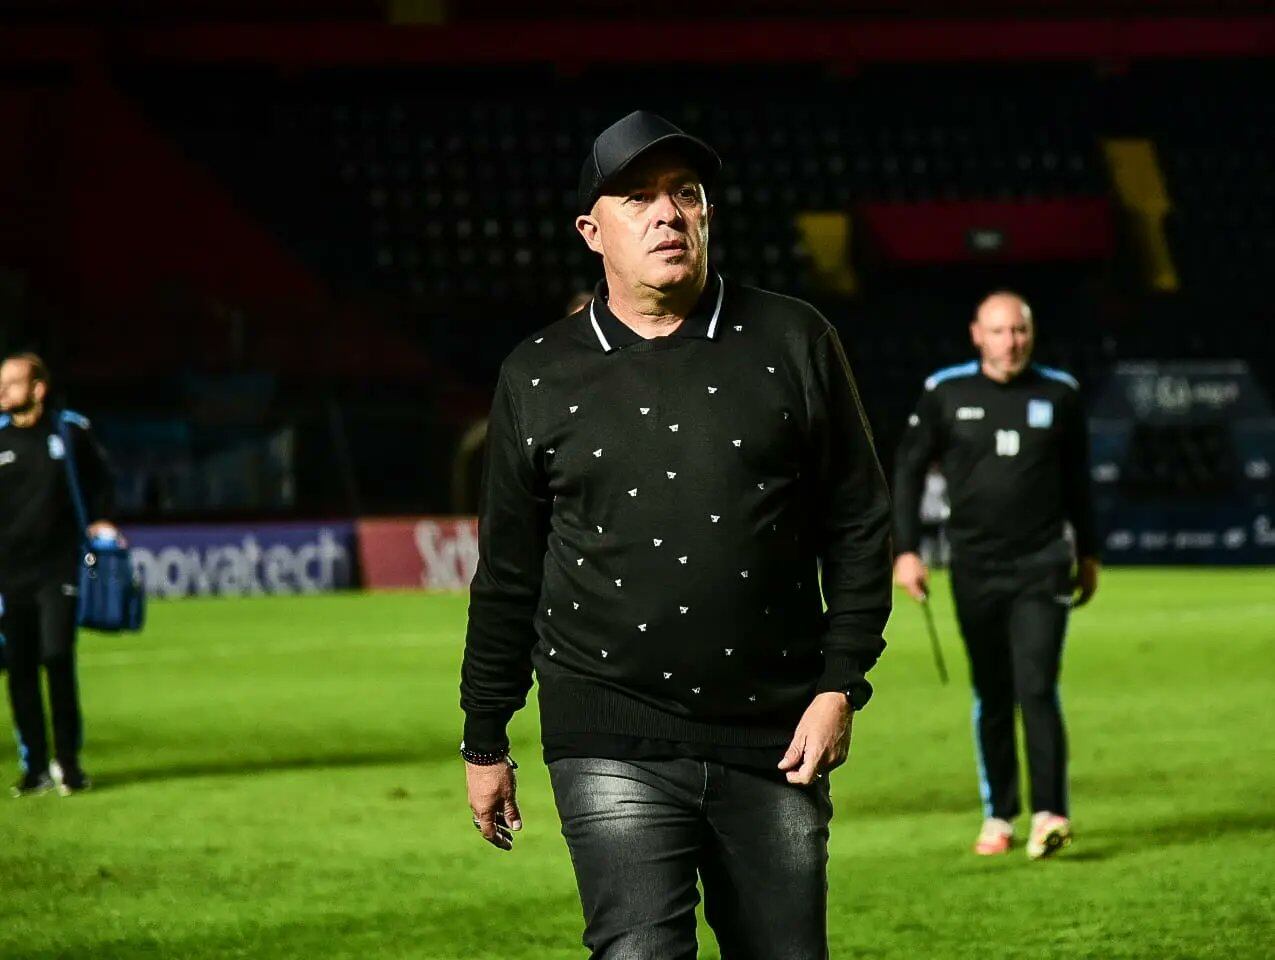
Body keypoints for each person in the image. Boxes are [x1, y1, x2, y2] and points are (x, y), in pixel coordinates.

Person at [459, 110, 892, 959]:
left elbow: (859, 523)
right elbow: (507, 570)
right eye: (638, 198)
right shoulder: (537, 372)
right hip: (606, 726)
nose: (668, 213)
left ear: (706, 215)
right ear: (592, 231)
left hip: (775, 735)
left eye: (685, 195)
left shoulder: (794, 339)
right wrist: (484, 734)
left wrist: (841, 684)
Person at [891, 292, 1099, 860]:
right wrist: (905, 551)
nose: (1012, 342)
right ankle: (1000, 814)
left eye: (1021, 332)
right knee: (992, 691)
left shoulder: (1061, 393)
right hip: (974, 566)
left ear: (1032, 335)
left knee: (1036, 686)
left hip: (1042, 564)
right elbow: (907, 472)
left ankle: (1051, 814)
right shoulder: (945, 392)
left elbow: (1079, 480)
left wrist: (1089, 553)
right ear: (977, 335)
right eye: (1000, 332)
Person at [0, 353, 118, 797]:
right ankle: (35, 770)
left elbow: (102, 481)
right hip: (9, 575)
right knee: (20, 669)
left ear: (38, 389)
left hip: (66, 566)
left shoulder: (69, 430)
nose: (2, 392)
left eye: (11, 383)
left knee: (56, 657)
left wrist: (103, 521)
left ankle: (68, 764)